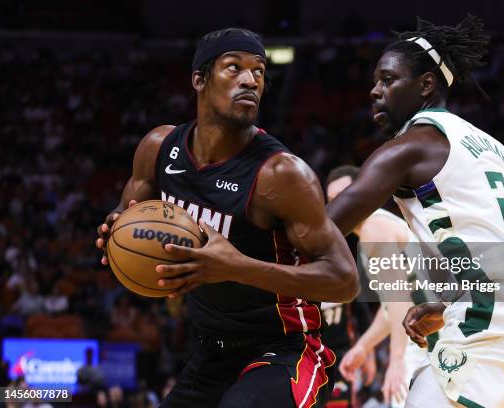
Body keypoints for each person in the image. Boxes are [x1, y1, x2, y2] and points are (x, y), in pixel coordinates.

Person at [95, 28, 359, 407]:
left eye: (259, 71)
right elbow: (129, 216)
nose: (250, 80)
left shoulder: (281, 174)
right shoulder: (158, 149)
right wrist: (115, 229)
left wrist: (237, 267)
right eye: (233, 68)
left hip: (288, 350)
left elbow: (345, 280)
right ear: (199, 80)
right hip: (212, 351)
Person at [327, 15, 504, 408]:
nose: (375, 91)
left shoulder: (413, 144)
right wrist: (448, 304)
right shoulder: (490, 145)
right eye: (375, 81)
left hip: (501, 317)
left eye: (388, 80)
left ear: (426, 84)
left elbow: (324, 226)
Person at [324, 165, 412, 407]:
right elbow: (392, 308)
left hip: (441, 331)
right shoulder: (370, 233)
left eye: (345, 195)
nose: (340, 205)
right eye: (332, 200)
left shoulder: (375, 227)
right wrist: (363, 346)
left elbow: (399, 297)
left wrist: (397, 358)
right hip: (429, 328)